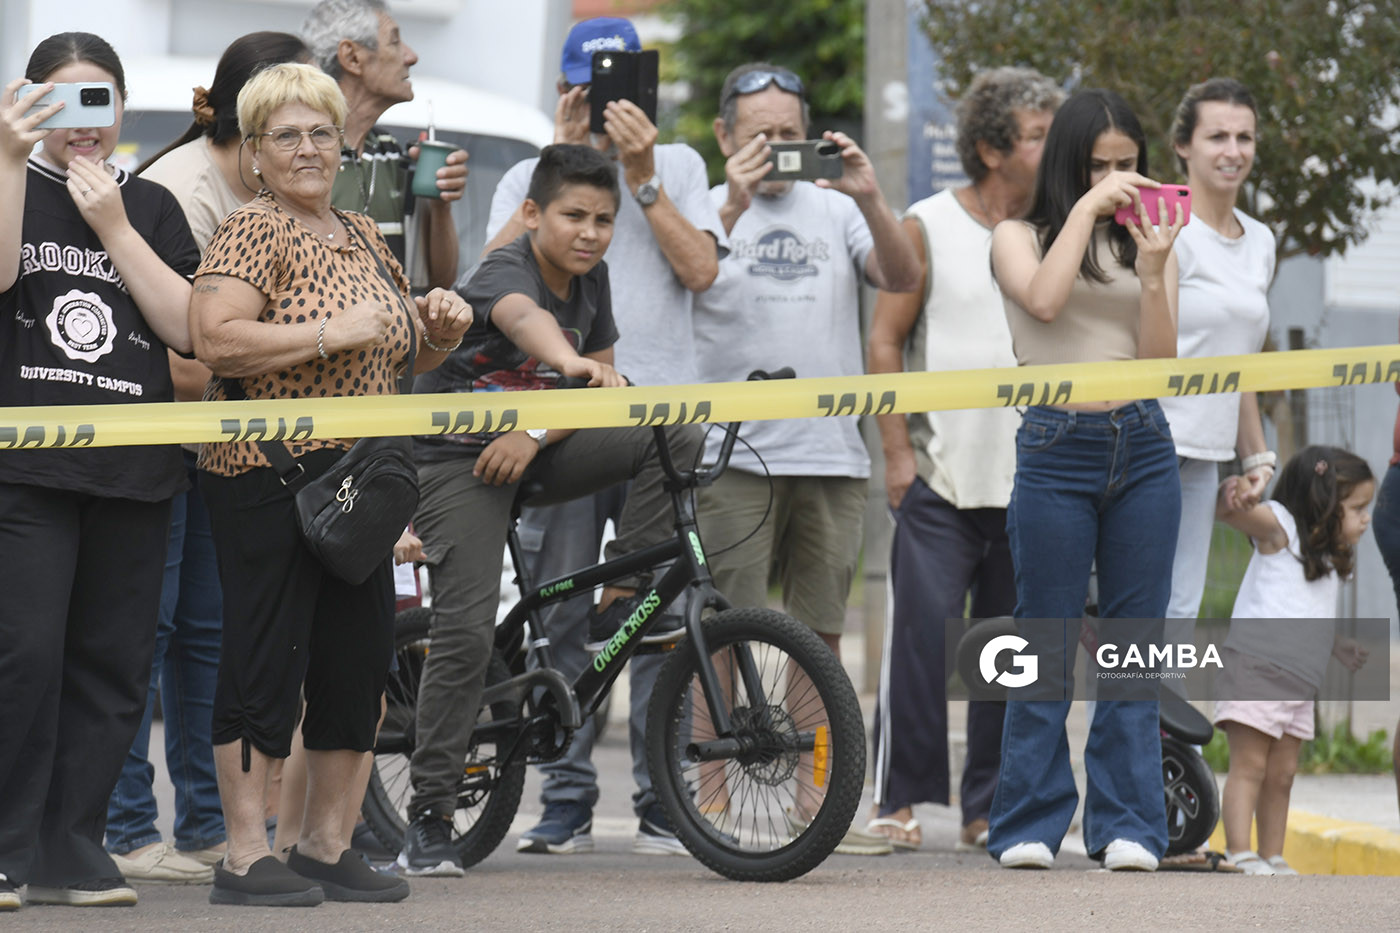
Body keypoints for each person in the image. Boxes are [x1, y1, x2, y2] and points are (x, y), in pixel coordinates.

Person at [190, 62, 471, 907]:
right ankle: (245, 855)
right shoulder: (252, 227)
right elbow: (214, 338)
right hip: (267, 472)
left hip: (360, 482)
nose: (308, 148)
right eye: (286, 135)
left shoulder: (361, 231)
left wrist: (440, 331)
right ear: (254, 152)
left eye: (321, 132)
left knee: (357, 663)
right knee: (266, 659)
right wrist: (326, 332)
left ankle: (324, 845)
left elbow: (398, 350)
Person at [398, 142, 704, 876]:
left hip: (527, 447)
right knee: (466, 629)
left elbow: (600, 391)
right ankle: (430, 813)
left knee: (677, 431)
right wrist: (566, 362)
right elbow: (522, 318)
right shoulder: (505, 269)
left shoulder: (593, 278)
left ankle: (620, 590)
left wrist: (534, 433)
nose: (590, 233)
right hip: (455, 460)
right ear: (532, 213)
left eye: (603, 219)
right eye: (574, 216)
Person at [479, 16, 725, 859]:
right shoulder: (530, 173)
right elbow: (489, 281)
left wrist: (643, 179)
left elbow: (701, 271)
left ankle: (662, 800)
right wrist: (559, 155)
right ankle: (566, 799)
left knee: (659, 611)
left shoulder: (679, 163)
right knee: (563, 610)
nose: (603, 105)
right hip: (560, 421)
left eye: (619, 87)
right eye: (587, 89)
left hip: (656, 422)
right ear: (563, 91)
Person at [691, 61, 920, 855]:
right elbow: (688, 278)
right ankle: (711, 799)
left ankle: (815, 806)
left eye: (789, 133)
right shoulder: (702, 209)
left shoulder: (837, 207)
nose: (777, 148)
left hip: (830, 453)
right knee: (722, 634)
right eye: (760, 134)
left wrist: (871, 195)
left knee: (819, 639)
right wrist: (731, 202)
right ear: (724, 135)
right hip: (733, 454)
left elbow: (903, 275)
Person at [103, 30, 311, 887]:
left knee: (210, 640)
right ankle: (123, 824)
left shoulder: (263, 185)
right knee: (142, 636)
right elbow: (187, 356)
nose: (307, 138)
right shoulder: (181, 188)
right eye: (291, 118)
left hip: (226, 448)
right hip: (162, 442)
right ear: (250, 117)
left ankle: (201, 823)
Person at [0, 31, 200, 909]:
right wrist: (9, 159)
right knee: (24, 655)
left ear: (122, 106)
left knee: (115, 665)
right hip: (26, 470)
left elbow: (186, 327)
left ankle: (71, 849)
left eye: (100, 101)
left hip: (135, 470)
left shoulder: (149, 204)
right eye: (63, 101)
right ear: (28, 102)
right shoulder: (11, 178)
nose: (85, 122)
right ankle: (5, 847)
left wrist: (114, 224)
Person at [986, 88, 1184, 872]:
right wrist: (1086, 210)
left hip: (1144, 444)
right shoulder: (1017, 235)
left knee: (1134, 644)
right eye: (1098, 166)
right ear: (1069, 165)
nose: (1115, 180)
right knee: (1045, 637)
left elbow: (1160, 364)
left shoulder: (1148, 240)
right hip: (1055, 445)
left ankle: (1128, 822)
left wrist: (1156, 270)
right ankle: (1028, 822)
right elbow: (1043, 299)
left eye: (1127, 164)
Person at [866, 66, 1062, 853]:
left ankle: (988, 805)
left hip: (1035, 478)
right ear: (990, 148)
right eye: (1038, 135)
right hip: (940, 476)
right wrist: (897, 453)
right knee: (920, 642)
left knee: (1006, 652)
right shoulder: (926, 223)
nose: (1053, 146)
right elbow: (885, 340)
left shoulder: (1058, 228)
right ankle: (899, 798)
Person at [1213, 445, 1373, 875]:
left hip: (1300, 682)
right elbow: (1228, 511)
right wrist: (1237, 490)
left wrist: (1336, 645)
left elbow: (1306, 610)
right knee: (1250, 766)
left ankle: (1272, 854)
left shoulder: (1330, 557)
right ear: (1324, 503)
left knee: (1282, 775)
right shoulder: (1280, 529)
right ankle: (1239, 851)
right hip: (1257, 669)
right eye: (1358, 508)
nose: (1366, 519)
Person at [1160, 77, 1276, 624]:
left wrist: (1255, 458)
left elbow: (1239, 364)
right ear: (1183, 145)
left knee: (1179, 611)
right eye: (1217, 137)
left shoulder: (1261, 241)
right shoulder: (1162, 228)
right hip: (1145, 447)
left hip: (1204, 456)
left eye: (1244, 137)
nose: (1233, 151)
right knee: (1131, 610)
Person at [302, 0, 466, 287]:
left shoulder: (389, 152)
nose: (411, 57)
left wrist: (440, 205)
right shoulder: (304, 155)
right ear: (352, 58)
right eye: (395, 41)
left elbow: (439, 280)